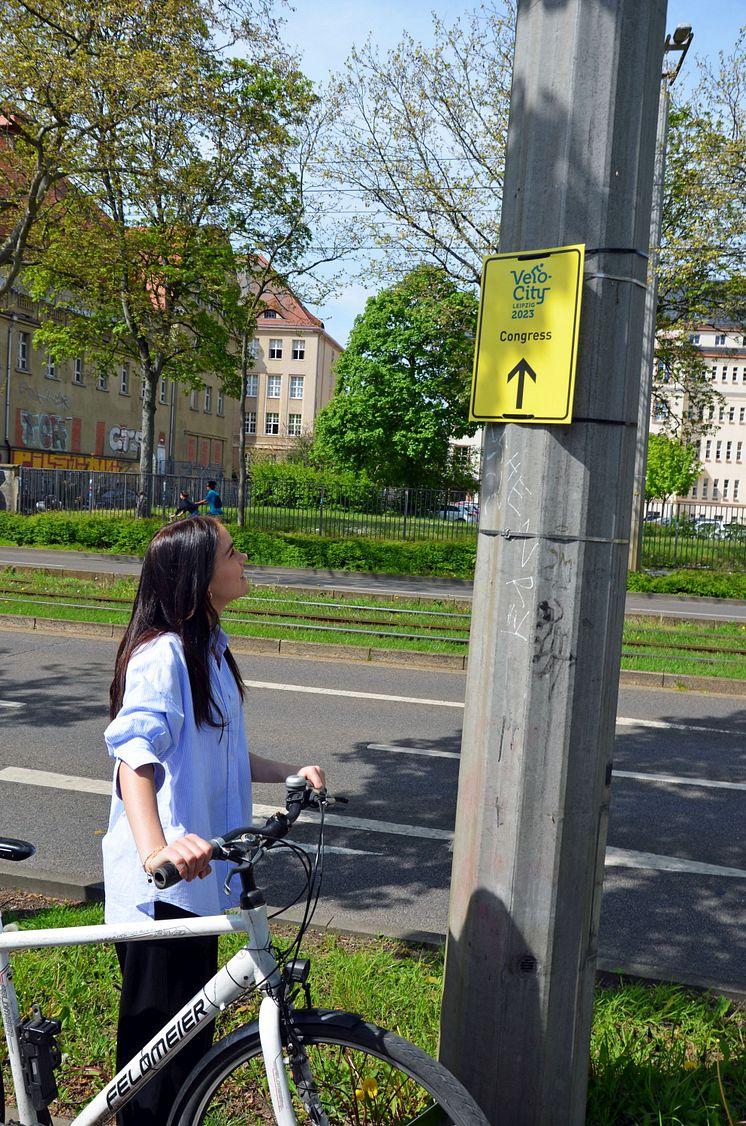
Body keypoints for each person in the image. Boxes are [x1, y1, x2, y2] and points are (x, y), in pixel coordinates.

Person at [102, 516, 324, 1126]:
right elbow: (134, 756)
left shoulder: (209, 650)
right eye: (232, 551)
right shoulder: (163, 655)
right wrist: (157, 852)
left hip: (199, 880)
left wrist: (288, 773)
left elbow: (219, 750)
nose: (244, 556)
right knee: (153, 1061)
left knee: (189, 1052)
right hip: (163, 889)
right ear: (199, 574)